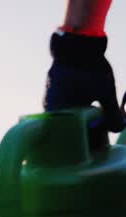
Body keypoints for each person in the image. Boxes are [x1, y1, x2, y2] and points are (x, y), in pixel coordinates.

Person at [44, 0, 125, 132]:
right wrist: (118, 119)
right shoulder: (100, 72)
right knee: (113, 122)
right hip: (87, 54)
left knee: (56, 119)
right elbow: (115, 125)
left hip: (62, 50)